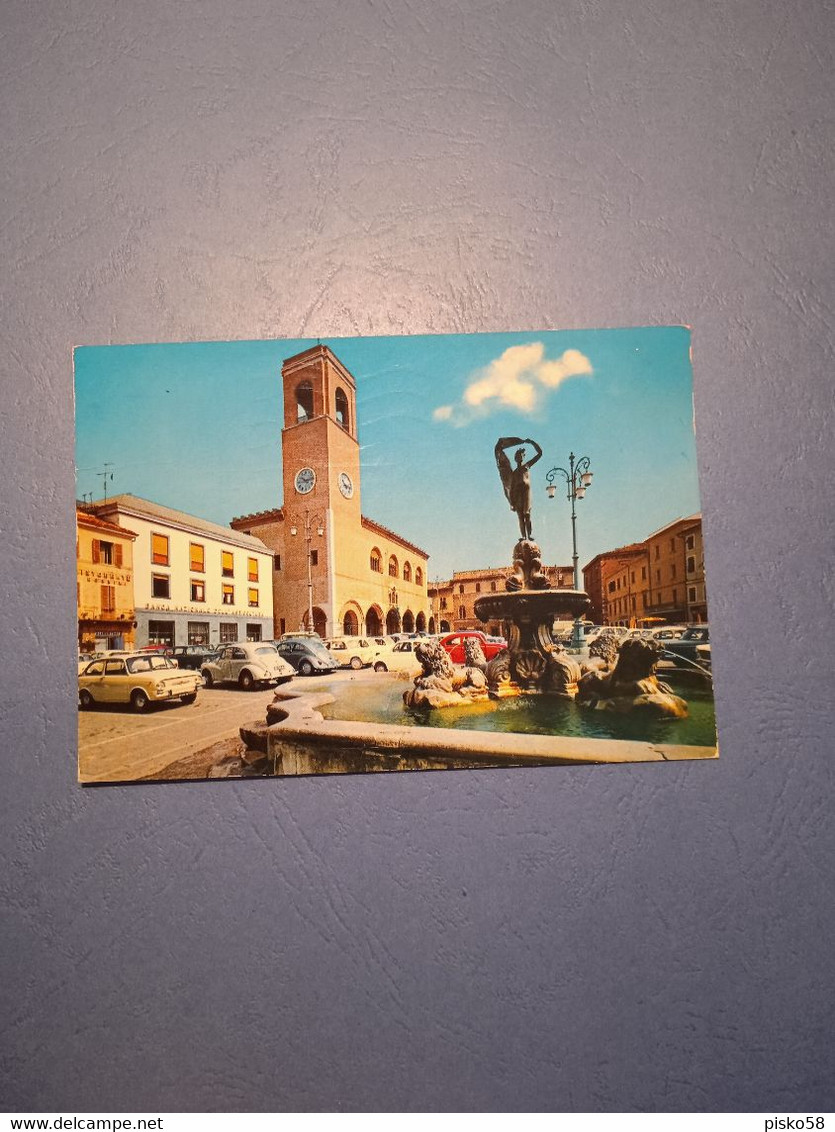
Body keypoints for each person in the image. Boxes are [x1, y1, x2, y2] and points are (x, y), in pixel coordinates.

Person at [494, 436, 543, 540]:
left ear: (523, 456)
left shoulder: (527, 466)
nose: (518, 457)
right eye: (517, 456)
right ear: (515, 458)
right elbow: (511, 488)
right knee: (520, 516)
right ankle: (523, 537)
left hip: (526, 492)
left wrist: (532, 442)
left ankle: (529, 536)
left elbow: (539, 454)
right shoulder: (514, 473)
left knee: (527, 513)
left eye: (520, 455)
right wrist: (511, 502)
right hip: (517, 494)